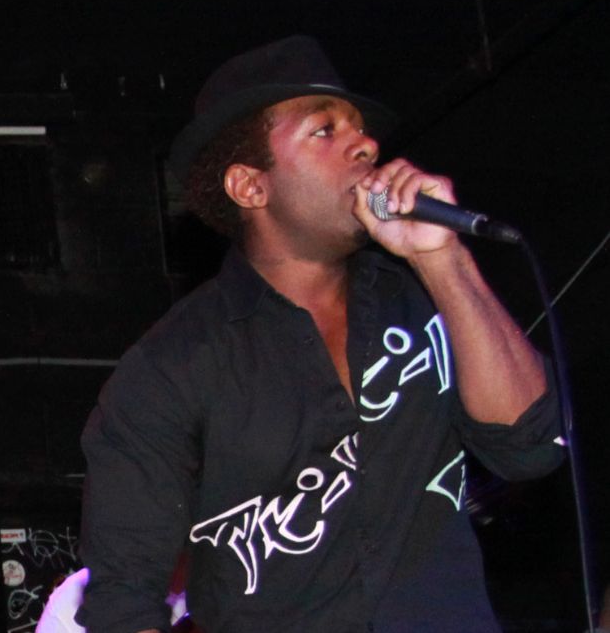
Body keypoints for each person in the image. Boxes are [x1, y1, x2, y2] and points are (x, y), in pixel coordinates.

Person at [75, 35, 564, 632]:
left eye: (359, 128)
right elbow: (124, 601)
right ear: (250, 187)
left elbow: (531, 445)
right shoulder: (173, 366)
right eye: (325, 130)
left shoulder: (422, 301)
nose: (366, 144)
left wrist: (444, 260)